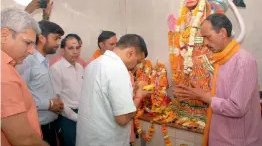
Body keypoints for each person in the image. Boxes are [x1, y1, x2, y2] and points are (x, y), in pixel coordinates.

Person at [173, 13, 262, 146]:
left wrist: (206, 98)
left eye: (208, 37)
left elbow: (236, 108)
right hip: (220, 137)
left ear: (222, 32)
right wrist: (197, 95)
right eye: (203, 38)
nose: (205, 43)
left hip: (238, 141)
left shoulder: (243, 61)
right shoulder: (221, 59)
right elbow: (223, 96)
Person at [76, 34, 151, 146]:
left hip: (87, 139)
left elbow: (103, 99)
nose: (137, 67)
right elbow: (123, 119)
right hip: (106, 141)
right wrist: (139, 96)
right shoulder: (118, 69)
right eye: (138, 62)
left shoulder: (93, 64)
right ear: (131, 53)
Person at [1, 8, 49, 146]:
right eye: (27, 43)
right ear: (4, 35)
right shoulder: (4, 74)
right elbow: (25, 140)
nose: (31, 51)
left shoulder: (9, 66)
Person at [17, 20, 65, 146]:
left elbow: (38, 90)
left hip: (51, 124)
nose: (58, 43)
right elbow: (19, 97)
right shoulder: (27, 62)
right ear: (42, 38)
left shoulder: (44, 61)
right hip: (38, 127)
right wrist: (48, 104)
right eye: (56, 38)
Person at [50, 34, 84, 146]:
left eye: (77, 48)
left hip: (83, 114)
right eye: (71, 48)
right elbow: (57, 100)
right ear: (63, 50)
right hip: (67, 116)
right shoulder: (56, 68)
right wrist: (75, 117)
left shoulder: (80, 67)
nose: (75, 51)